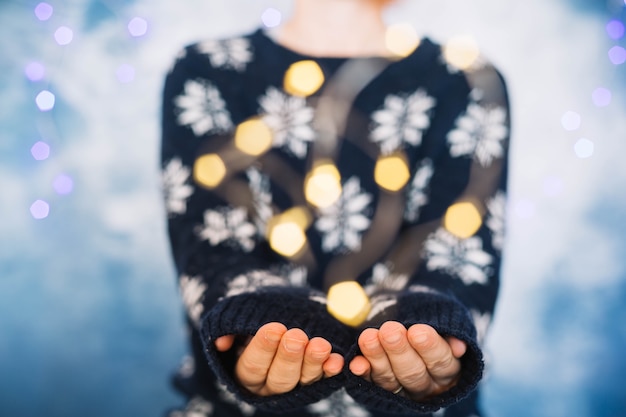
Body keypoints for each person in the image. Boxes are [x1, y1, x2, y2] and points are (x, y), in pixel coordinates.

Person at [160, 0, 510, 416]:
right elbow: (211, 250)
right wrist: (250, 320)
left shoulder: (466, 80)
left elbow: (460, 259)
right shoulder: (207, 70)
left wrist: (431, 324)